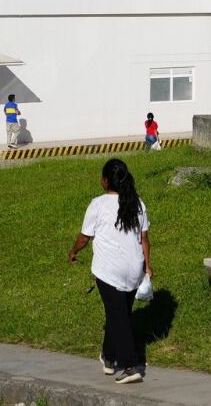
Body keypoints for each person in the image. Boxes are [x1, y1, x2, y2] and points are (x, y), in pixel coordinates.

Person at [67, 158, 151, 385]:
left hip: (108, 271)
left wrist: (73, 251)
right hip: (134, 269)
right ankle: (108, 357)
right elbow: (144, 239)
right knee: (118, 313)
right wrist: (147, 265)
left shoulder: (97, 204)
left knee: (118, 317)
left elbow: (85, 237)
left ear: (105, 181)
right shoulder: (138, 203)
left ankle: (131, 366)